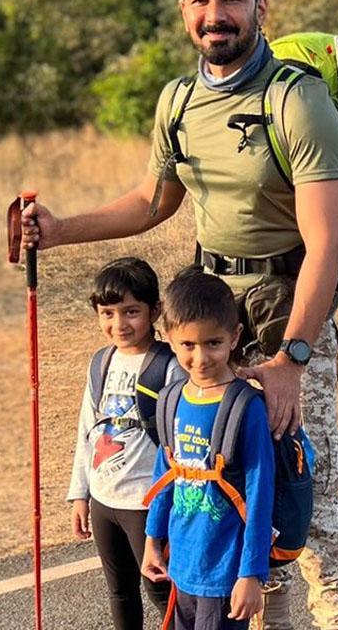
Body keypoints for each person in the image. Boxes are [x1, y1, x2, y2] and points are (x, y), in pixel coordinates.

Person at [20, 0, 338, 629]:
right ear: (184, 9)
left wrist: (293, 361)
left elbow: (327, 244)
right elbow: (154, 201)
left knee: (311, 511)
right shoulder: (179, 101)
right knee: (232, 499)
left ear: (259, 6)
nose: (216, 14)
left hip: (283, 320)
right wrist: (60, 231)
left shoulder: (295, 102)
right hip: (208, 328)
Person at [143, 269, 274, 629]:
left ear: (235, 338)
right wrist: (153, 540)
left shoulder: (246, 408)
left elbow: (260, 493)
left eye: (213, 343)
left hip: (225, 573)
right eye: (188, 345)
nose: (200, 358)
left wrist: (251, 573)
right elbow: (164, 475)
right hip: (182, 566)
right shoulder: (171, 398)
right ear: (169, 338)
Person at [67, 257, 180, 629]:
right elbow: (88, 428)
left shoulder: (169, 365)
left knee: (162, 592)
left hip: (147, 503)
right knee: (120, 593)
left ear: (155, 310)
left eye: (131, 311)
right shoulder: (100, 362)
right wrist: (79, 494)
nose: (119, 324)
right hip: (104, 499)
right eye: (108, 313)